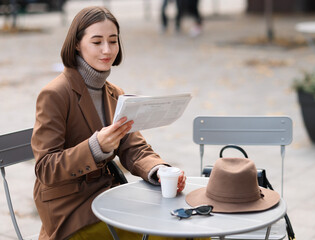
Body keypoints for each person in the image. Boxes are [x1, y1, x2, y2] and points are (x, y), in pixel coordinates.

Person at [31, 6, 206, 240]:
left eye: (113, 41)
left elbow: (134, 147)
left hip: (110, 201)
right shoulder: (55, 94)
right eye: (97, 42)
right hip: (71, 213)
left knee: (193, 229)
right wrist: (96, 146)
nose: (107, 50)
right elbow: (45, 169)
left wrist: (159, 170)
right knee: (177, 234)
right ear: (76, 44)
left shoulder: (114, 93)